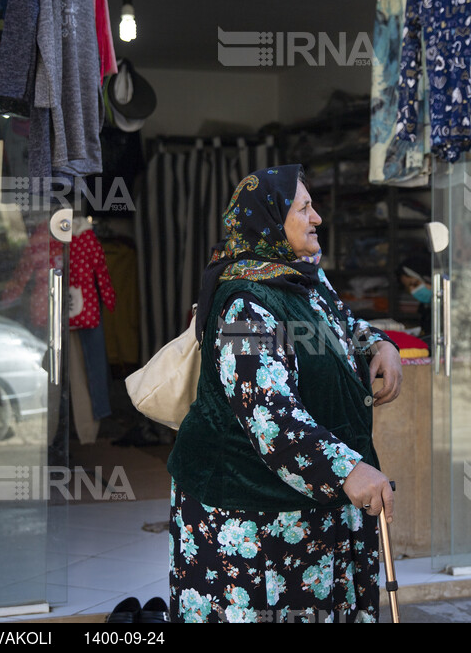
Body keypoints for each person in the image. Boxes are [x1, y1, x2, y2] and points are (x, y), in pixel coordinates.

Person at [167, 165, 403, 623]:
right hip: (250, 516)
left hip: (309, 505)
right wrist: (348, 470)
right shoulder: (243, 306)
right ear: (270, 221)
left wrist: (380, 343)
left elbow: (341, 322)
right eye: (304, 208)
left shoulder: (299, 277)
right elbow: (271, 417)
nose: (317, 218)